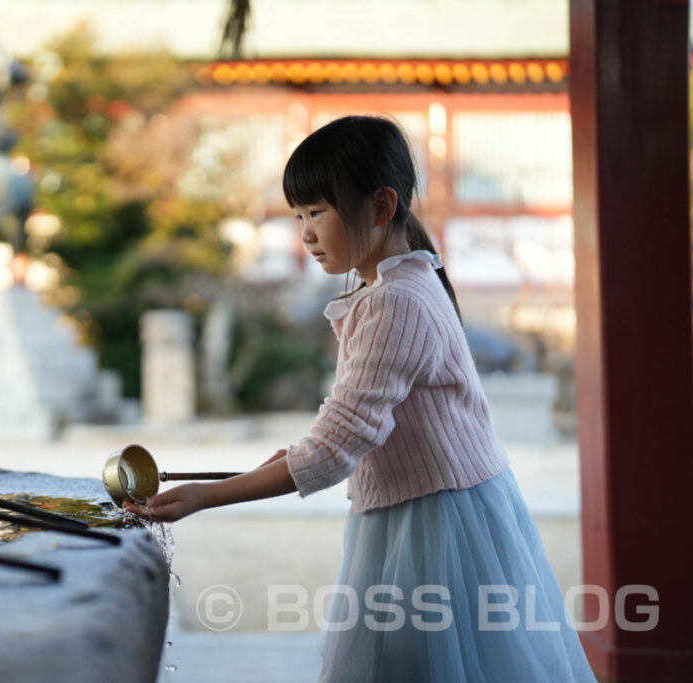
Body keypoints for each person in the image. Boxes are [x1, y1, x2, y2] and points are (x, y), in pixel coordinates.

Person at [124, 115, 597, 682]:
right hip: (433, 508)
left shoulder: (396, 302)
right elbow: (348, 428)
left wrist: (208, 496)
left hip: (435, 525)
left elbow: (337, 447)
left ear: (379, 206)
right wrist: (286, 458)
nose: (304, 232)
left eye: (317, 211)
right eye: (298, 215)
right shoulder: (396, 288)